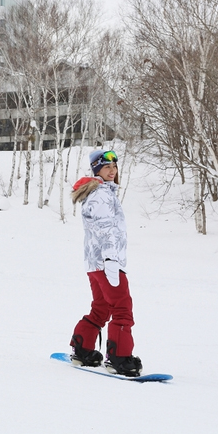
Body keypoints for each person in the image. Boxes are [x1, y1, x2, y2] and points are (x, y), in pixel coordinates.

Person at [68, 149, 142, 377]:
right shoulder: (101, 195)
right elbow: (105, 229)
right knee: (122, 309)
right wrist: (111, 258)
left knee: (101, 307)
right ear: (97, 169)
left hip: (95, 263)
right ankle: (119, 358)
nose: (112, 171)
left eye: (114, 166)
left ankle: (83, 349)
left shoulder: (99, 193)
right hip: (106, 262)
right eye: (107, 167)